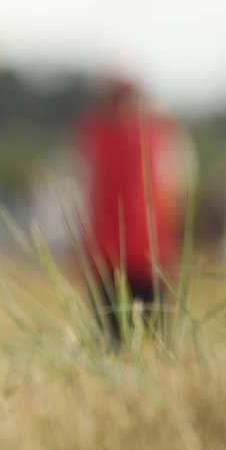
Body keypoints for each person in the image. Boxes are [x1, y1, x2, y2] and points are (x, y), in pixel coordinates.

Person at [76, 77, 194, 347]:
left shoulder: (159, 136)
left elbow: (176, 189)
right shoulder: (96, 137)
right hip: (110, 252)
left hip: (147, 252)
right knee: (113, 334)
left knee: (151, 332)